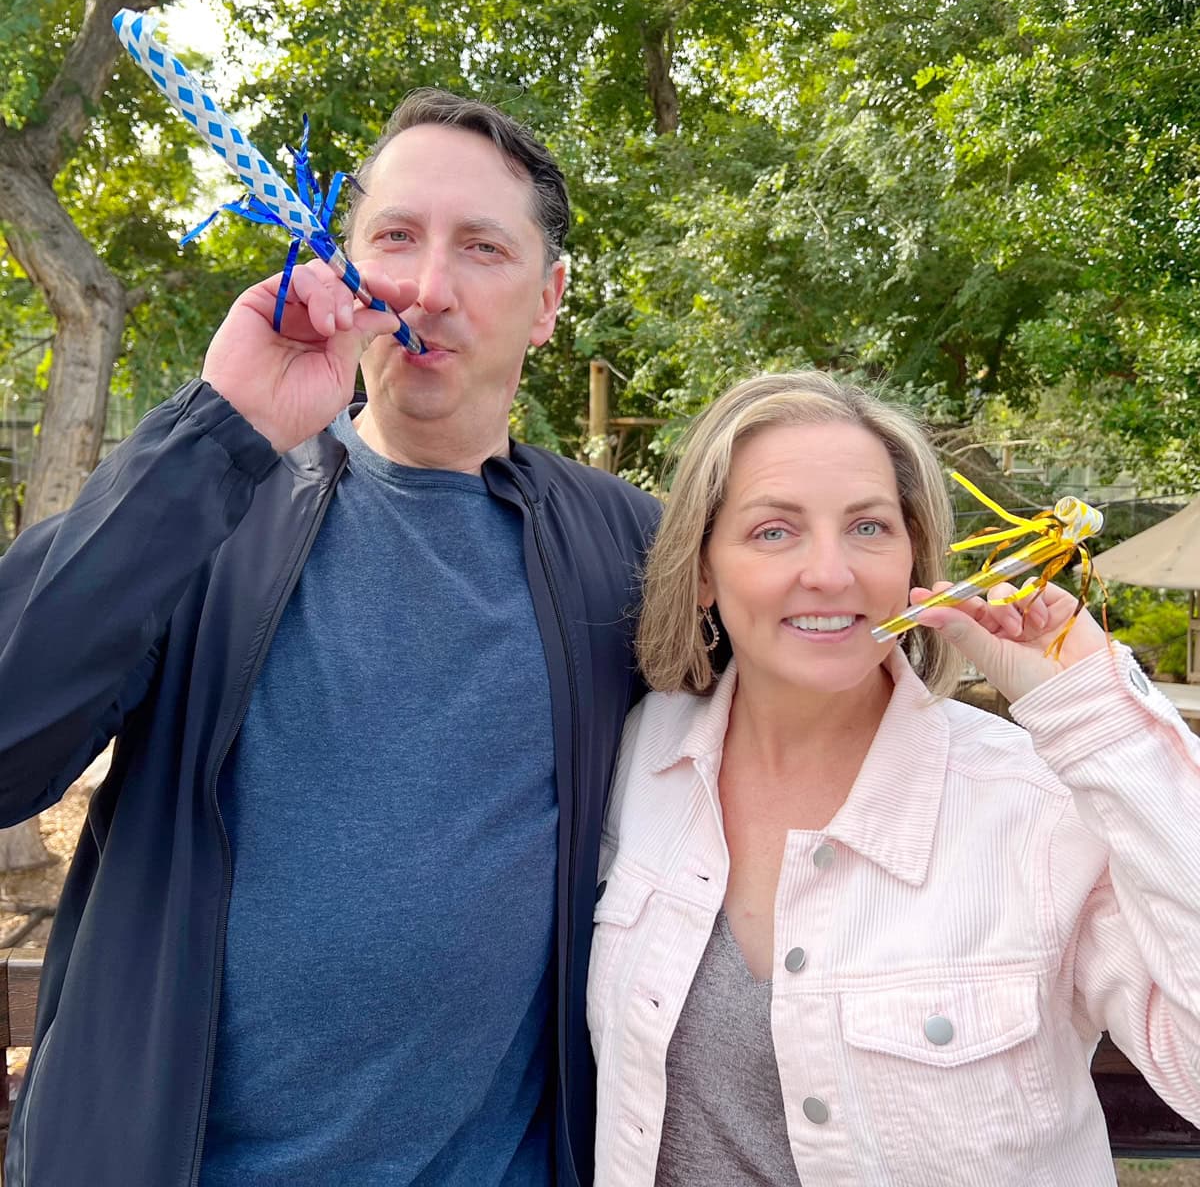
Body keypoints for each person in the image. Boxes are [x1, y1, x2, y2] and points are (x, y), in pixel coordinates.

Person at [0, 89, 659, 1187]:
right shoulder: (212, 505)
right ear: (342, 262)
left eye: (482, 248)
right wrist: (220, 430)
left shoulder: (627, 550)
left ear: (547, 303)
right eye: (396, 236)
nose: (429, 288)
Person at [588, 370, 1200, 1186]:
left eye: (869, 528)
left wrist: (1095, 710)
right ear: (702, 570)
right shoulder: (635, 761)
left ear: (915, 555)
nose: (832, 573)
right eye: (774, 532)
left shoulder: (1036, 804)